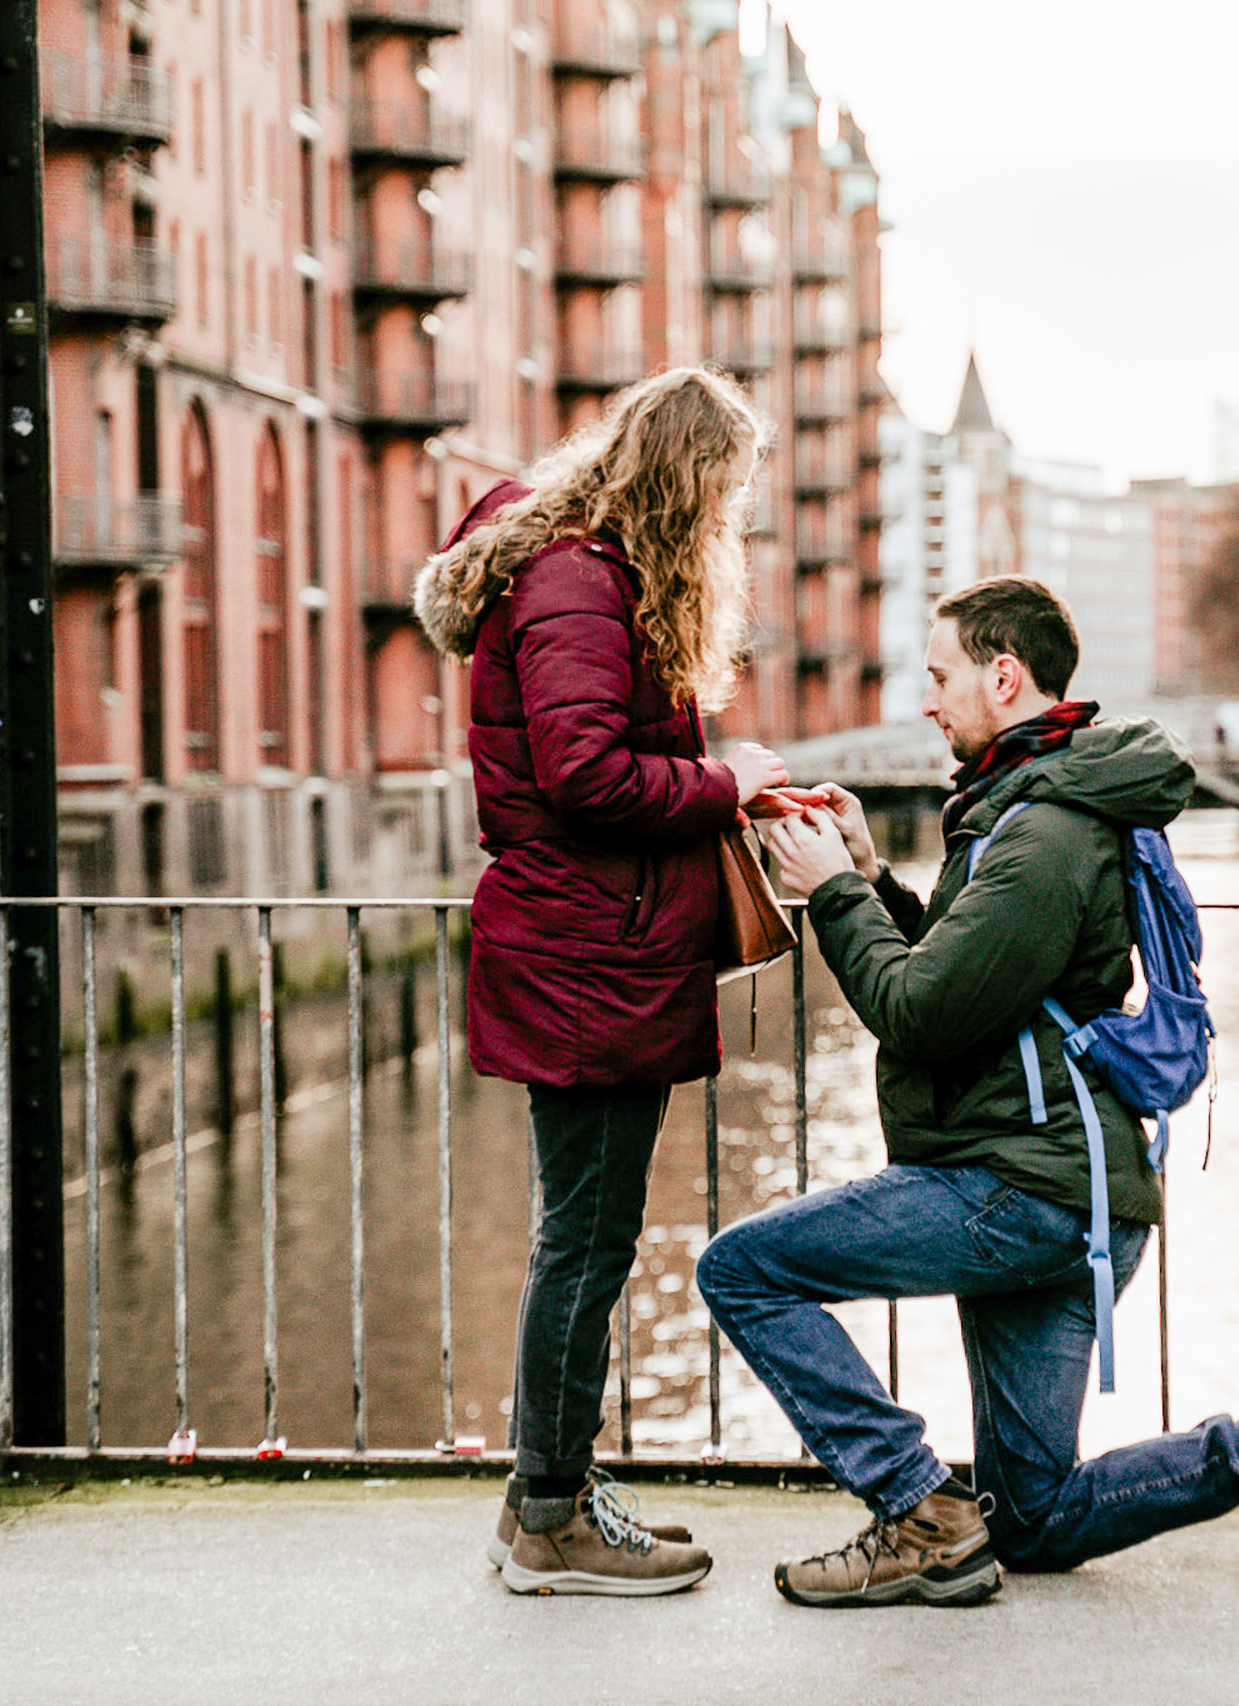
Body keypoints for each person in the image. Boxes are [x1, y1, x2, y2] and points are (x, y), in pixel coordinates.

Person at [696, 577, 1239, 1608]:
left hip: (1019, 1186)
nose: (927, 699)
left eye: (939, 677)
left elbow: (922, 1011)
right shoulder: (1025, 804)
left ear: (1003, 674)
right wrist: (870, 871)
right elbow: (969, 972)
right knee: (1031, 1517)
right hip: (1062, 1185)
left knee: (742, 1269)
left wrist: (832, 897)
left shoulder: (1044, 831)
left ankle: (916, 1510)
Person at [416, 366, 786, 1597]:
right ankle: (547, 1517)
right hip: (587, 950)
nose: (730, 517)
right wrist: (727, 781)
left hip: (601, 946)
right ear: (686, 480)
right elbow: (584, 774)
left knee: (588, 1235)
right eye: (725, 490)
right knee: (581, 1240)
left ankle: (555, 1487)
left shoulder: (583, 569)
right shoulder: (579, 580)